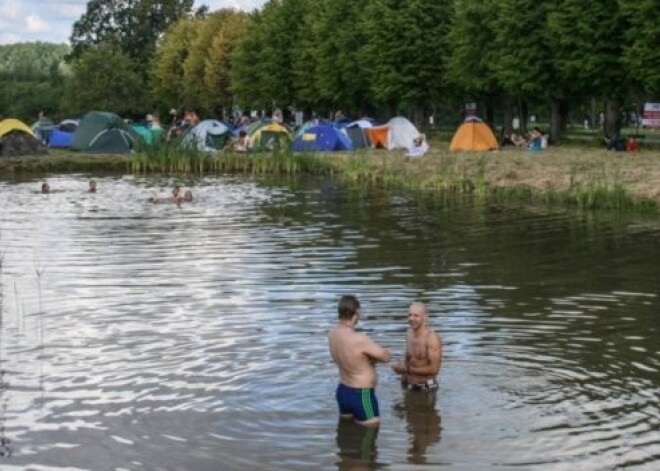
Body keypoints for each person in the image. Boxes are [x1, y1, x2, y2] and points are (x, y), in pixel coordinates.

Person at [328, 295, 391, 427]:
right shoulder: (359, 338)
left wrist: (368, 358)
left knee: (346, 436)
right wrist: (375, 358)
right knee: (370, 439)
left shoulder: (332, 334)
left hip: (343, 391)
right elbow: (385, 357)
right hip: (362, 396)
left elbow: (352, 358)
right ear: (357, 312)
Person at [391, 302, 442, 393]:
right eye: (409, 315)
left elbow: (434, 370)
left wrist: (407, 370)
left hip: (427, 385)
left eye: (416, 316)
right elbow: (408, 359)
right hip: (409, 383)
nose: (411, 318)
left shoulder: (432, 338)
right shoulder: (408, 333)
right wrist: (402, 373)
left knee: (423, 407)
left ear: (425, 317)